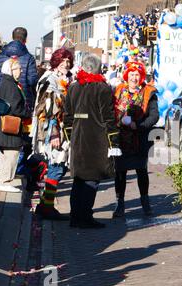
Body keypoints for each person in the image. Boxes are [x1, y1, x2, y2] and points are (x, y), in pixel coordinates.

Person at [64, 54, 121, 229]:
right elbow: (109, 118)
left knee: (79, 179)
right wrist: (114, 143)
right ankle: (85, 217)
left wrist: (69, 138)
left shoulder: (73, 88)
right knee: (91, 179)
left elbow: (67, 117)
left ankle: (75, 217)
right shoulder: (102, 89)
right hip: (96, 140)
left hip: (78, 138)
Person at [31, 48, 74, 220]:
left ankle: (44, 205)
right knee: (57, 167)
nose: (66, 64)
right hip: (53, 132)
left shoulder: (64, 79)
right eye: (63, 61)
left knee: (60, 167)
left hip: (64, 130)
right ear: (56, 61)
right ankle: (47, 208)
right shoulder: (49, 80)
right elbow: (46, 110)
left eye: (68, 62)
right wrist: (54, 133)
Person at [112, 61, 159, 218]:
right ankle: (120, 205)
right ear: (127, 75)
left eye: (137, 74)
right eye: (131, 74)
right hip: (121, 140)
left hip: (139, 139)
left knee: (141, 172)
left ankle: (145, 205)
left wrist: (137, 125)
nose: (134, 77)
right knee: (120, 173)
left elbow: (154, 116)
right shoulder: (118, 90)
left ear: (142, 76)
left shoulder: (148, 92)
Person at [0, 58, 32, 192]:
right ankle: (5, 181)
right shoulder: (11, 85)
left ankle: (3, 179)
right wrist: (27, 113)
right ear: (11, 70)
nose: (21, 71)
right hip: (11, 126)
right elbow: (15, 108)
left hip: (5, 125)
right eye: (18, 69)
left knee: (6, 154)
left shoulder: (6, 82)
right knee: (12, 153)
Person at [0, 27, 38, 110]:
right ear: (25, 40)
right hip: (22, 103)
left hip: (0, 102)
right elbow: (32, 81)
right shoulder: (29, 58)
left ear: (12, 38)